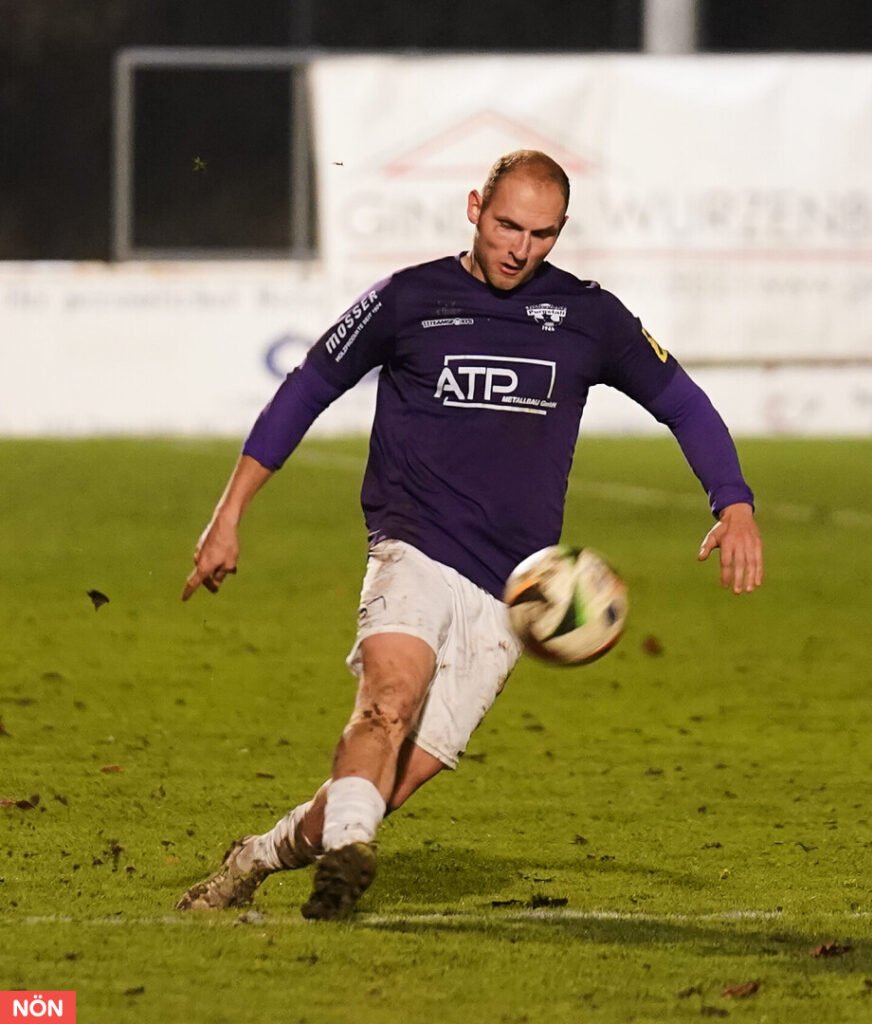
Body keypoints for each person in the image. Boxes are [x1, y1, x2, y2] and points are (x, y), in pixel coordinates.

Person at [176, 150, 763, 921]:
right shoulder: (408, 298)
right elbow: (308, 386)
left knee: (390, 783)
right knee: (386, 701)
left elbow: (682, 402)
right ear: (474, 208)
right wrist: (229, 516)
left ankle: (257, 857)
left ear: (560, 231)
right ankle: (349, 858)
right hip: (412, 546)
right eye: (507, 226)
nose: (520, 248)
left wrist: (733, 502)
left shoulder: (589, 316)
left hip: (515, 591)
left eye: (542, 234)